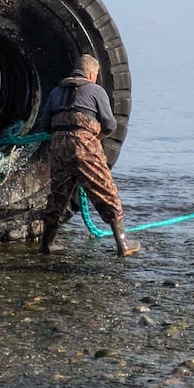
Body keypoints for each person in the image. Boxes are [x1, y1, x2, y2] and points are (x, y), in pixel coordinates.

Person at [37, 54, 140, 257]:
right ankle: (123, 244)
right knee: (106, 191)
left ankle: (47, 245)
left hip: (59, 148)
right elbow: (110, 124)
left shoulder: (56, 92)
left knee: (58, 195)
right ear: (92, 74)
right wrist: (96, 137)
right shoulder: (96, 90)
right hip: (85, 147)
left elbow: (45, 124)